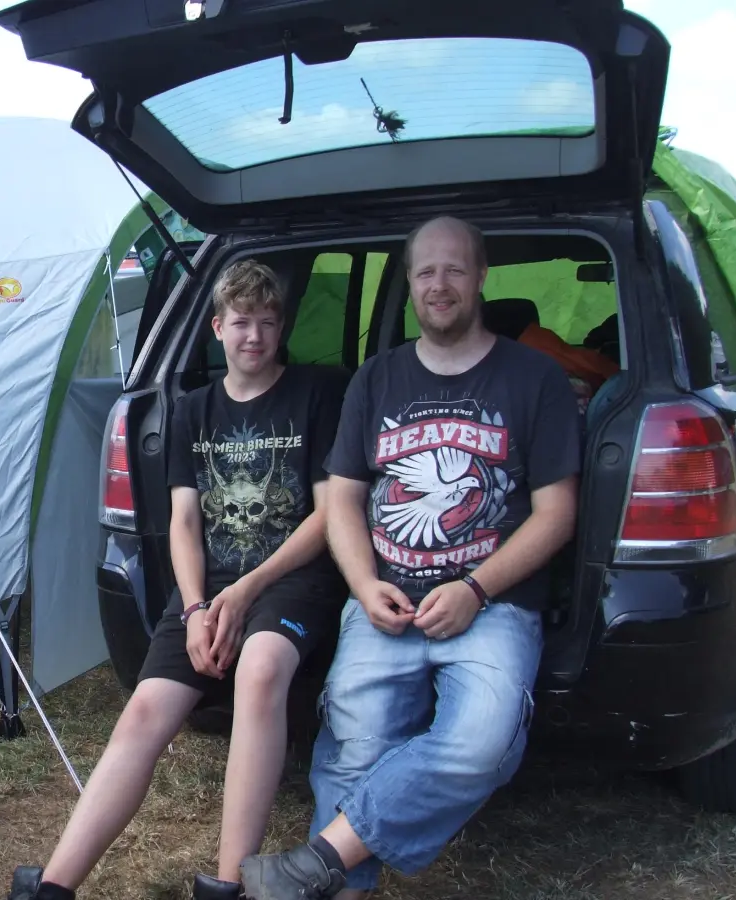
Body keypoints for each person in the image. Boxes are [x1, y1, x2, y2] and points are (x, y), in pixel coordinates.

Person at [239, 217, 581, 899]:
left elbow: (557, 514)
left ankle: (321, 860)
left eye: (455, 269)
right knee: (355, 746)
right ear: (409, 283)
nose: (439, 284)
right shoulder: (376, 378)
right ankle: (339, 886)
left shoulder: (535, 379)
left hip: (494, 606)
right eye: (425, 272)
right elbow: (342, 499)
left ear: (482, 277)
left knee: (484, 741)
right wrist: (364, 586)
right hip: (385, 603)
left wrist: (476, 591)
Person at [7, 260, 346, 900]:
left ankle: (227, 883)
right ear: (217, 327)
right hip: (206, 589)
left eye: (268, 323)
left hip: (295, 578)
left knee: (261, 669)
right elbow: (184, 523)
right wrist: (194, 610)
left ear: (281, 329)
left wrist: (245, 593)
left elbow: (329, 516)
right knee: (143, 711)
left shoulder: (316, 395)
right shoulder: (192, 410)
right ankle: (52, 887)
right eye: (241, 322)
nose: (255, 336)